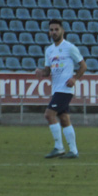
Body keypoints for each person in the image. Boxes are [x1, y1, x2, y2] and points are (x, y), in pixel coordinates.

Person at [34, 19, 87, 159]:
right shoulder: (49, 50)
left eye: (56, 29)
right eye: (51, 30)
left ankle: (59, 147)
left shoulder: (69, 47)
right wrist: (41, 72)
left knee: (49, 115)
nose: (54, 32)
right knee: (63, 118)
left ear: (62, 30)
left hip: (65, 89)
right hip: (56, 89)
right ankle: (74, 151)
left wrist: (75, 78)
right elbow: (47, 72)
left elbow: (83, 66)